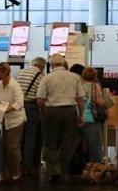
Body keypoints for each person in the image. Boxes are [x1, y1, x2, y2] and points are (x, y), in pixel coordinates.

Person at [36, 54, 85, 184]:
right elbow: (80, 99)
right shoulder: (74, 77)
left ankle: (53, 172)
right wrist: (80, 115)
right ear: (63, 64)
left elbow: (40, 100)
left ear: (51, 65)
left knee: (49, 142)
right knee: (68, 143)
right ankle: (64, 172)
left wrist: (43, 112)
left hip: (52, 111)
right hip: (70, 111)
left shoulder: (47, 78)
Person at [0, 63, 26, 182]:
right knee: (3, 146)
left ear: (5, 72)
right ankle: (5, 172)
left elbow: (19, 103)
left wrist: (7, 109)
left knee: (11, 145)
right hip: (4, 119)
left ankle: (16, 171)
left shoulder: (15, 86)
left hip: (16, 119)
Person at [15, 57, 46, 175]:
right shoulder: (41, 76)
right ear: (42, 67)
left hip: (18, 106)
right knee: (30, 136)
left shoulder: (20, 73)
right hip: (31, 107)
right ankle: (27, 164)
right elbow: (41, 96)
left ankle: (18, 161)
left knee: (19, 136)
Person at [80, 67, 106, 164]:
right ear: (94, 76)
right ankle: (96, 170)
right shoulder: (95, 86)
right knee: (95, 147)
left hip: (79, 118)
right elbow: (100, 102)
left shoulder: (79, 86)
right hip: (91, 118)